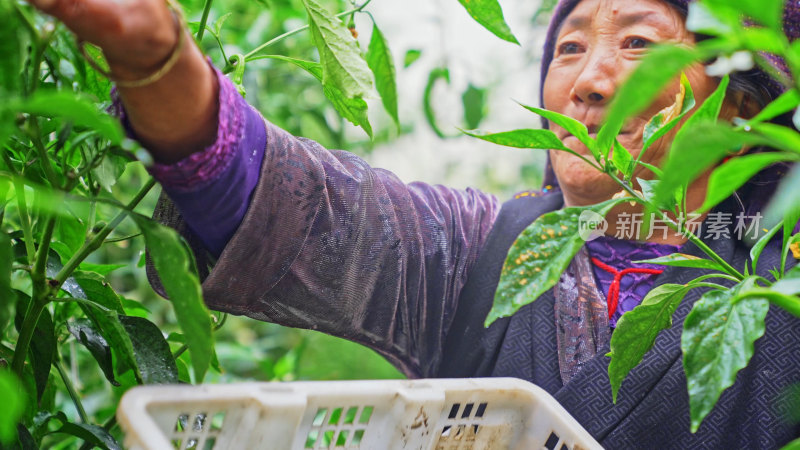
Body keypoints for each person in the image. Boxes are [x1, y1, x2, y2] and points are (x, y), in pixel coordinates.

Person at [31, 0, 800, 446]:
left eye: (639, 44)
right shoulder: (487, 252)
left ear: (739, 107)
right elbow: (300, 203)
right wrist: (158, 63)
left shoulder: (781, 292)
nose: (589, 82)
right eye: (568, 48)